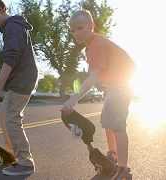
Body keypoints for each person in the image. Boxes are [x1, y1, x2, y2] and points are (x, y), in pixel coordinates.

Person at [62, 9, 136, 179]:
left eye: (80, 28)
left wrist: (73, 99)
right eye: (72, 30)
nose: (76, 33)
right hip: (118, 83)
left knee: (117, 126)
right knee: (108, 123)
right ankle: (113, 155)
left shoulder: (95, 44)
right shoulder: (93, 44)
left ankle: (123, 169)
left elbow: (93, 77)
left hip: (122, 83)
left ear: (91, 26)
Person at [0, 0, 38, 176]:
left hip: (22, 80)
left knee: (12, 118)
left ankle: (25, 161)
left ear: (0, 10)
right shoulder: (12, 28)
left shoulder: (12, 27)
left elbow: (10, 58)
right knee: (5, 115)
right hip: (21, 80)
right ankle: (12, 155)